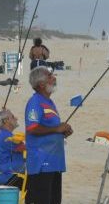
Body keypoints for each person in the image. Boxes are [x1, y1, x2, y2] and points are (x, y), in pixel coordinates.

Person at [25, 66, 72, 204]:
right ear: (41, 84)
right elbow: (32, 128)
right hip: (41, 163)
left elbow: (51, 129)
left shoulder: (49, 102)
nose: (54, 78)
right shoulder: (35, 102)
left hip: (55, 163)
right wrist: (57, 129)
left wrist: (63, 131)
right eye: (50, 76)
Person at [0, 109, 27, 197]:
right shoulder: (7, 137)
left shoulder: (1, 134)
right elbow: (24, 148)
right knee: (39, 186)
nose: (16, 118)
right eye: (13, 117)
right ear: (6, 121)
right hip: (8, 175)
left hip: (2, 173)